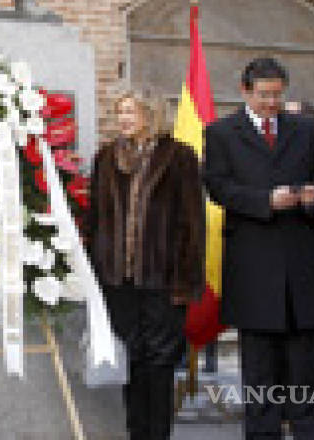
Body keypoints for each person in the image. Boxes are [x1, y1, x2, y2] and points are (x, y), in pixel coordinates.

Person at [203, 57, 314, 440]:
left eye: (277, 95)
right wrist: (265, 200)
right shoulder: (222, 133)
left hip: (300, 267)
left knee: (305, 372)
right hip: (253, 269)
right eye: (264, 95)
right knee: (259, 377)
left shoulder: (305, 130)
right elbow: (217, 186)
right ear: (245, 91)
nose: (271, 103)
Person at [85, 87, 205, 440]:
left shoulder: (179, 157)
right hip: (118, 281)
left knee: (160, 363)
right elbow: (94, 221)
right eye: (120, 111)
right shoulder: (105, 158)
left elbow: (192, 224)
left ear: (151, 115)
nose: (123, 118)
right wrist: (94, 273)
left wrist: (186, 281)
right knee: (131, 362)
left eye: (131, 111)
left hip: (164, 281)